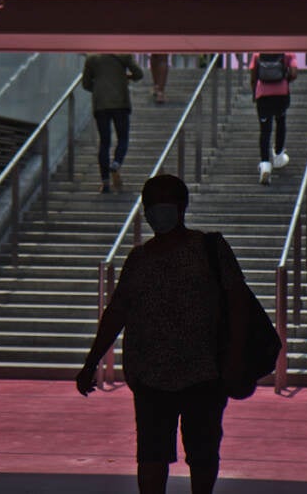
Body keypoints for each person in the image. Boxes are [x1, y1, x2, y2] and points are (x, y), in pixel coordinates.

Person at [76, 174, 249, 494]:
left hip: (205, 372)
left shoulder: (210, 249)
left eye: (163, 202)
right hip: (150, 375)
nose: (157, 210)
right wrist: (91, 363)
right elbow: (118, 311)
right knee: (153, 455)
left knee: (202, 451)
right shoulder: (139, 259)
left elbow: (237, 302)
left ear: (182, 206)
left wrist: (235, 355)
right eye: (151, 204)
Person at [82, 53, 144, 193]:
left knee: (104, 142)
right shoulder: (123, 54)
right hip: (120, 102)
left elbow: (85, 84)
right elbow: (139, 74)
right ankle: (116, 163)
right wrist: (127, 77)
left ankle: (105, 182)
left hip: (101, 104)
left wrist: (98, 88)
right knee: (123, 138)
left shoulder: (92, 58)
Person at [249, 52, 298, 185]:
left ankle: (265, 164)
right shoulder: (288, 53)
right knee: (281, 121)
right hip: (281, 94)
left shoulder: (258, 54)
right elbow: (293, 73)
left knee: (265, 130)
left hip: (263, 95)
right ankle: (278, 156)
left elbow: (253, 75)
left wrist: (255, 92)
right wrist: (285, 80)